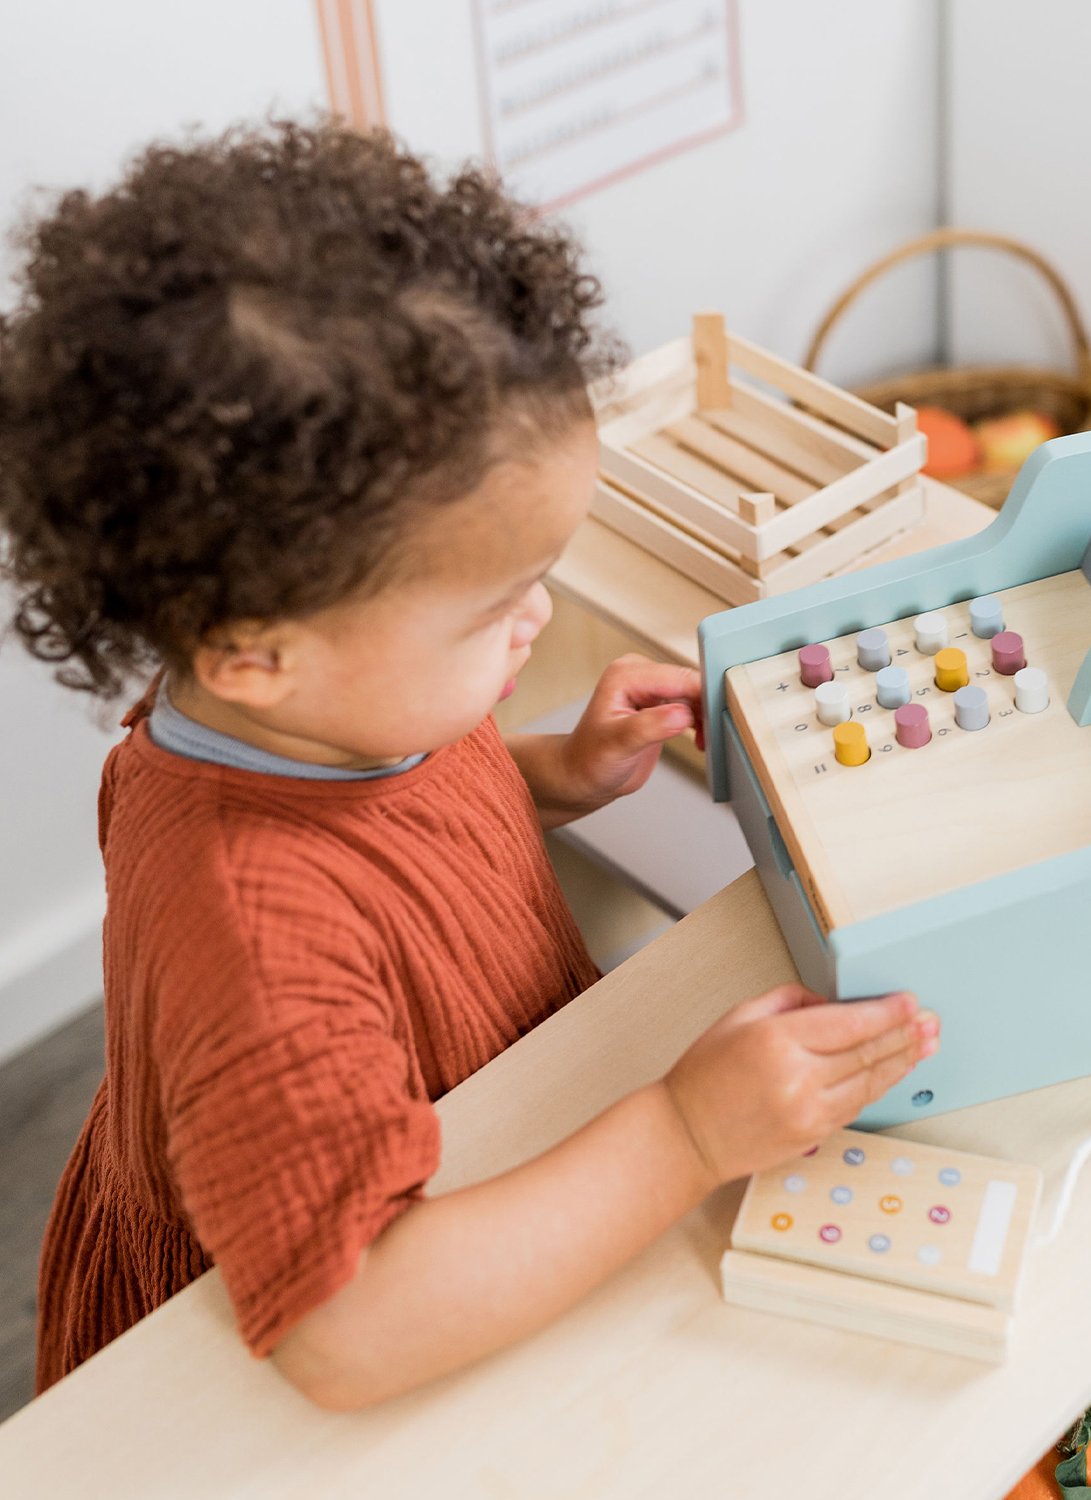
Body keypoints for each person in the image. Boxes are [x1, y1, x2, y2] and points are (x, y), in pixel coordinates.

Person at [0, 120, 939, 1409]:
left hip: (497, 1122)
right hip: (345, 1285)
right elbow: (347, 1326)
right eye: (492, 607)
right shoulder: (246, 928)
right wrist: (685, 1133)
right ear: (254, 648)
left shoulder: (313, 709)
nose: (540, 621)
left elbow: (405, 810)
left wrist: (553, 768)